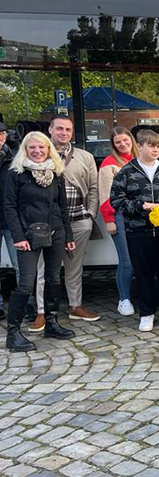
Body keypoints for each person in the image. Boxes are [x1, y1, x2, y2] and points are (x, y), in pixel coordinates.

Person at [110, 128, 159, 332]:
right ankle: (146, 313)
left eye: (158, 146)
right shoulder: (127, 171)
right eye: (151, 145)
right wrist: (139, 206)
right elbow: (116, 200)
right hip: (138, 231)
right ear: (140, 146)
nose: (156, 150)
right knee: (143, 272)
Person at [4, 131, 76, 352]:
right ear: (25, 149)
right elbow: (9, 207)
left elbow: (62, 206)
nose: (37, 151)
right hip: (27, 234)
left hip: (56, 232)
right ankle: (13, 333)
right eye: (32, 147)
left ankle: (52, 323)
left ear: (48, 149)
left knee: (54, 279)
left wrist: (68, 235)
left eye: (41, 147)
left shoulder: (56, 173)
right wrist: (18, 237)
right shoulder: (16, 173)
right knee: (26, 282)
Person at [30, 115, 101, 329]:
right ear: (50, 130)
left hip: (79, 220)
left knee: (74, 266)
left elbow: (94, 188)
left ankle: (75, 306)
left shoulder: (85, 157)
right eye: (59, 128)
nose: (63, 133)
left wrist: (90, 215)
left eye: (68, 129)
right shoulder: (39, 154)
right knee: (43, 269)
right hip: (47, 224)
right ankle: (42, 312)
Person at [99, 127, 137, 316]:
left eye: (125, 140)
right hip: (120, 216)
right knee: (127, 261)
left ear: (131, 140)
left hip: (140, 217)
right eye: (118, 142)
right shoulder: (110, 163)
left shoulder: (139, 160)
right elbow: (105, 195)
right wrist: (109, 218)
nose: (122, 144)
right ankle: (124, 299)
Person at [0, 122, 17, 322]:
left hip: (11, 219)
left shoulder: (15, 159)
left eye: (1, 133)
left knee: (20, 266)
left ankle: (27, 303)